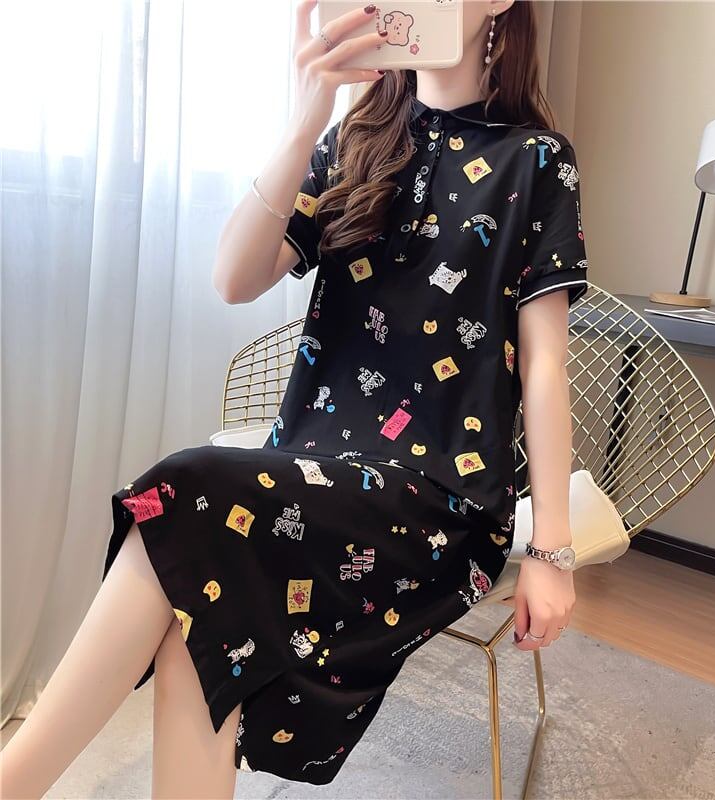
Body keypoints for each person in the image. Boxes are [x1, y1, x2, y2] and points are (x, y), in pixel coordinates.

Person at [0, 0, 589, 797]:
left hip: (441, 495)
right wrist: (309, 110)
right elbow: (233, 277)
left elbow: (545, 367)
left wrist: (551, 551)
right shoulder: (355, 141)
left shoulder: (538, 161)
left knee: (185, 495)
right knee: (203, 618)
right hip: (311, 468)